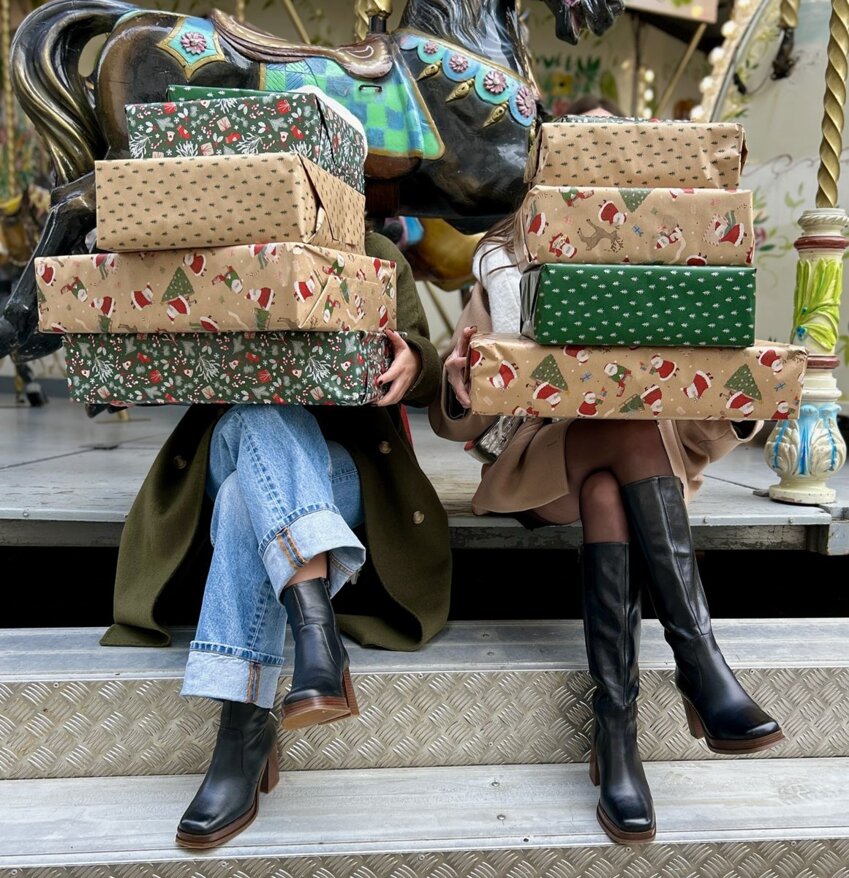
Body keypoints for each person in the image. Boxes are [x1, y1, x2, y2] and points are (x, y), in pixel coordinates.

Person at [430, 218, 784, 844]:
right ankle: (701, 665)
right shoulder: (506, 262)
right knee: (630, 435)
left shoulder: (676, 242)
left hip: (635, 461)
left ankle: (616, 733)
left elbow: (707, 388)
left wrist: (748, 383)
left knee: (610, 485)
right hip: (540, 461)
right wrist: (461, 389)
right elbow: (453, 419)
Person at [99, 229, 451, 849]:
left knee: (242, 501)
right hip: (227, 443)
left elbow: (427, 359)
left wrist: (415, 362)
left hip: (338, 470)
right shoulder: (213, 244)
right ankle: (318, 644)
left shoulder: (374, 251)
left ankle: (243, 733)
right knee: (258, 416)